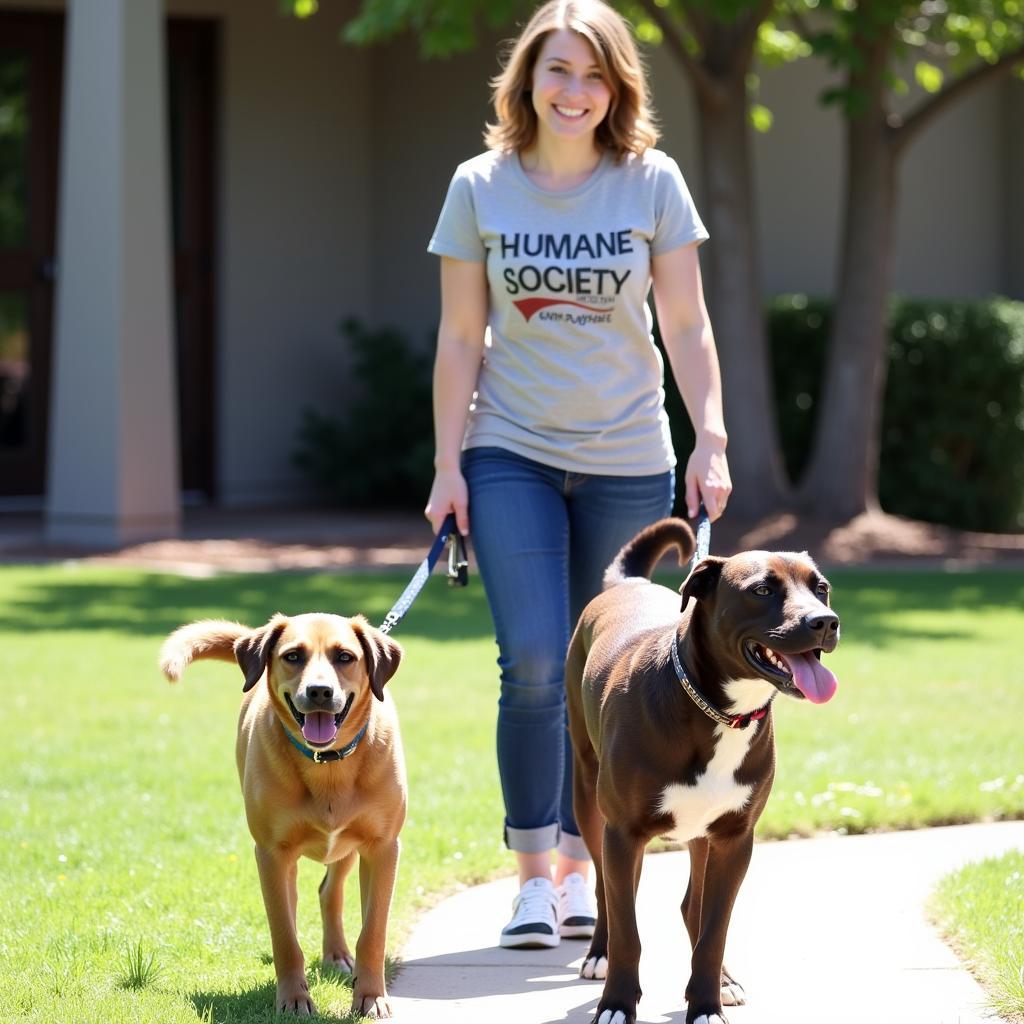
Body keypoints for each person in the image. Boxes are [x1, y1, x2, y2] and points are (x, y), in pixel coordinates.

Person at [424, 0, 732, 950]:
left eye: (595, 74)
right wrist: (447, 466)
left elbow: (685, 323)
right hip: (508, 447)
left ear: (617, 87)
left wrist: (710, 436)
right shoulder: (480, 185)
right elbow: (460, 334)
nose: (575, 91)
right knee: (530, 662)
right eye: (558, 70)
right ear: (526, 79)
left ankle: (591, 867)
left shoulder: (651, 182)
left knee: (609, 676)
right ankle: (533, 878)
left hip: (628, 456)